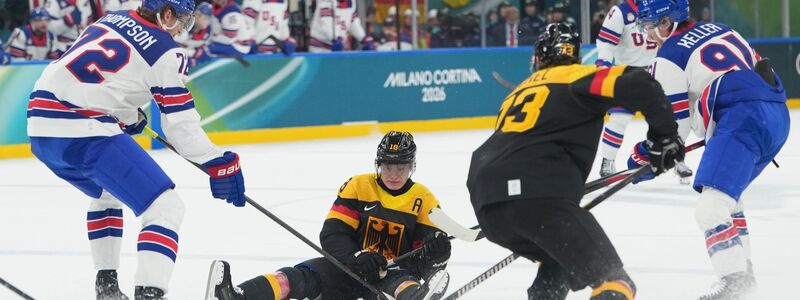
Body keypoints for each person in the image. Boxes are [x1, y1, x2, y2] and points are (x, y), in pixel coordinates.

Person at [26, 1, 247, 299]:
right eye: (181, 18)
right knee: (166, 207)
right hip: (84, 130)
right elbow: (180, 126)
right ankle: (150, 295)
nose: (183, 27)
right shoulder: (167, 52)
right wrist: (217, 161)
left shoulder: (111, 18)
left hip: (40, 126)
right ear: (165, 14)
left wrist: (128, 117)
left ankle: (106, 286)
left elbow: (96, 78)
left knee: (106, 195)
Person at [466, 23, 684, 300]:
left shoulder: (516, 93)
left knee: (558, 261)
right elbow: (639, 83)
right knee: (614, 283)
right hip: (539, 197)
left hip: (488, 205)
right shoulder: (576, 76)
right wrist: (664, 138)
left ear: (539, 56)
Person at [634, 0, 786, 298]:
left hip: (743, 119)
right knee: (728, 199)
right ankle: (744, 272)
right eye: (645, 27)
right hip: (776, 116)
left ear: (669, 22)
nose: (650, 34)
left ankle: (735, 283)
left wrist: (640, 158)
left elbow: (673, 132)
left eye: (653, 26)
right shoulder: (720, 28)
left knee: (711, 208)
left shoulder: (669, 56)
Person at [205, 131, 452, 300]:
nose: (394, 174)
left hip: (392, 273)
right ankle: (238, 295)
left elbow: (425, 262)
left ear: (412, 166)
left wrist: (437, 252)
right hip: (349, 267)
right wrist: (357, 256)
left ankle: (416, 297)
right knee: (299, 276)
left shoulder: (424, 199)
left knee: (403, 284)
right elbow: (333, 233)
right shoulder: (359, 186)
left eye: (401, 168)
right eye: (388, 166)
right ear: (378, 164)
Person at [594, 0, 661, 178]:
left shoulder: (661, 6)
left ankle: (676, 159)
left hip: (659, 70)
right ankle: (607, 161)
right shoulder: (620, 12)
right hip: (628, 73)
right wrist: (604, 65)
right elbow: (606, 43)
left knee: (673, 117)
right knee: (619, 118)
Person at [308, 0, 373, 52]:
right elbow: (327, 24)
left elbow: (353, 21)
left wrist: (363, 38)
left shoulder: (351, 2)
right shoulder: (326, 2)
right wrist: (337, 38)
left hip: (336, 46)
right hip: (319, 48)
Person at [174, 2, 214, 66]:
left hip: (189, 51)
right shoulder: (184, 25)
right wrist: (191, 54)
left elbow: (202, 48)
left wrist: (196, 52)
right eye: (204, 18)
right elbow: (172, 46)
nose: (206, 21)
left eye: (207, 19)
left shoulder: (208, 30)